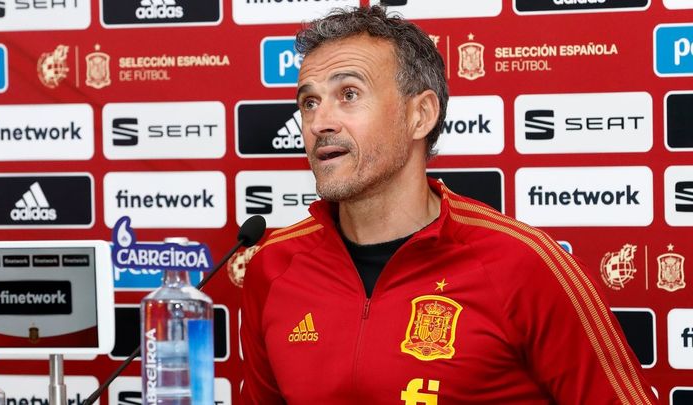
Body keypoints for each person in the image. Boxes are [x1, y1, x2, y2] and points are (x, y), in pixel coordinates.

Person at [240, 5, 658, 404]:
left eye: (349, 94)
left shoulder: (526, 264)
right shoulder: (273, 266)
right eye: (309, 102)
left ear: (420, 115)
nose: (318, 123)